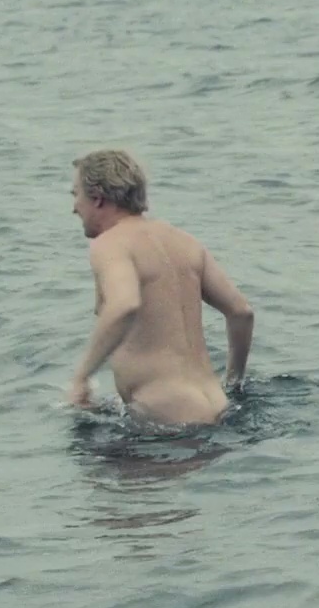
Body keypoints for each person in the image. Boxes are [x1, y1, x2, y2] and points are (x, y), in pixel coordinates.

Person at [67, 150, 255, 426]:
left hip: (167, 420)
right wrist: (234, 382)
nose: (74, 207)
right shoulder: (185, 241)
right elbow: (241, 312)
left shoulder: (110, 244)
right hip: (219, 406)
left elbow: (124, 305)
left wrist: (81, 377)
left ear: (97, 198)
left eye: (76, 195)